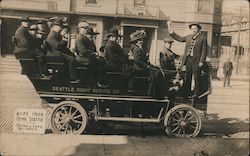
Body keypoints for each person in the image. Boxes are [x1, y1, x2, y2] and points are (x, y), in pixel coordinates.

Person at [167, 20, 207, 98]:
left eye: (195, 28)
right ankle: (187, 92)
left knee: (196, 77)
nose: (194, 30)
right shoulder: (188, 37)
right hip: (188, 60)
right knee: (187, 76)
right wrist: (171, 31)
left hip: (197, 60)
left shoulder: (203, 38)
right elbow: (180, 38)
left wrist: (201, 61)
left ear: (198, 29)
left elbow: (204, 51)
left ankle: (196, 93)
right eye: (192, 29)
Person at [46, 18, 79, 83]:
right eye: (60, 27)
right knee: (71, 59)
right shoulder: (52, 35)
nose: (61, 28)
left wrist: (69, 51)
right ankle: (73, 78)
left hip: (57, 53)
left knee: (71, 56)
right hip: (54, 54)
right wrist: (64, 40)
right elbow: (57, 46)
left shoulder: (56, 34)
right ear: (55, 27)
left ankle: (68, 76)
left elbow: (61, 47)